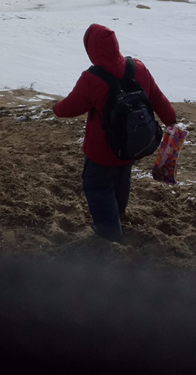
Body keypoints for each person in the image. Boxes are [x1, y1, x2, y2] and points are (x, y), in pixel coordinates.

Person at [53, 24, 176, 241]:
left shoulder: (91, 79)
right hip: (132, 144)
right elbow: (157, 97)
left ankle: (109, 231)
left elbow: (70, 107)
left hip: (102, 150)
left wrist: (55, 108)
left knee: (97, 185)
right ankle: (118, 213)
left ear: (90, 49)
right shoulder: (138, 68)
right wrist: (171, 120)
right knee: (122, 177)